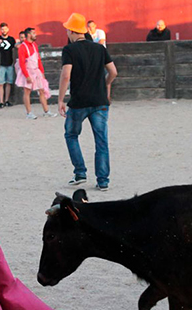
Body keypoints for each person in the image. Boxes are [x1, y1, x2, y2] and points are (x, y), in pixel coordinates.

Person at [58, 13, 118, 191]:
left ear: (71, 31)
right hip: (100, 102)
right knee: (101, 141)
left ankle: (80, 172)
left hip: (79, 102)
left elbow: (66, 74)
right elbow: (113, 72)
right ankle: (103, 181)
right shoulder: (99, 48)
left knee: (71, 135)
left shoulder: (69, 50)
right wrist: (104, 85)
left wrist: (61, 99)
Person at [15, 27, 56, 120]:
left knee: (41, 90)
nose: (35, 34)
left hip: (36, 70)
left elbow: (38, 59)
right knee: (27, 92)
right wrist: (27, 75)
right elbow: (22, 63)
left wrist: (42, 72)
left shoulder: (34, 45)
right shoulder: (22, 47)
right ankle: (29, 113)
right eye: (33, 33)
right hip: (28, 71)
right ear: (29, 35)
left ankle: (46, 111)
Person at [0, 22, 16, 109]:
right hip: (0, 64)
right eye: (2, 29)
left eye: (5, 29)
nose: (4, 30)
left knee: (8, 83)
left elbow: (15, 48)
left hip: (9, 63)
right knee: (0, 83)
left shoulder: (11, 39)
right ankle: (1, 102)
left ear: (8, 29)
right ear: (0, 30)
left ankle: (6, 100)